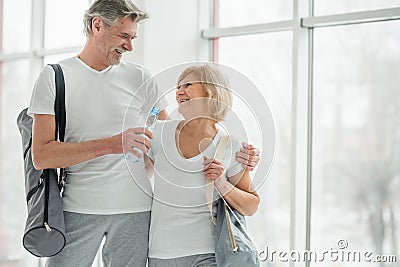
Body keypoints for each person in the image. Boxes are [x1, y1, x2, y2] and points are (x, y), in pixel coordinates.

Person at [28, 1, 260, 266]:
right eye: (124, 35)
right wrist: (113, 144)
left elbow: (178, 138)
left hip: (136, 212)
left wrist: (239, 155)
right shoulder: (55, 77)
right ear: (97, 25)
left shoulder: (140, 78)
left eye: (133, 37)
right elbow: (42, 155)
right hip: (77, 209)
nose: (130, 46)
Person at [147, 64, 260, 267]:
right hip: (160, 254)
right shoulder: (159, 133)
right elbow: (135, 173)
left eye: (188, 85)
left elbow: (251, 206)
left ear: (211, 91)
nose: (179, 92)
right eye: (178, 87)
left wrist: (222, 184)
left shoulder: (229, 146)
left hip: (206, 255)